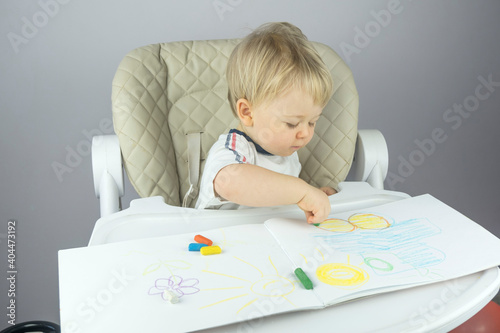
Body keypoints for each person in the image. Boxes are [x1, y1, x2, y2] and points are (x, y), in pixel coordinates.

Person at [195, 22, 336, 224]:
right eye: (291, 123)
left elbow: (276, 198)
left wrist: (313, 195)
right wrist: (302, 192)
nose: (304, 133)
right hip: (216, 243)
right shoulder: (233, 149)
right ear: (247, 112)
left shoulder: (286, 151)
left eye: (312, 122)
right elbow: (229, 183)